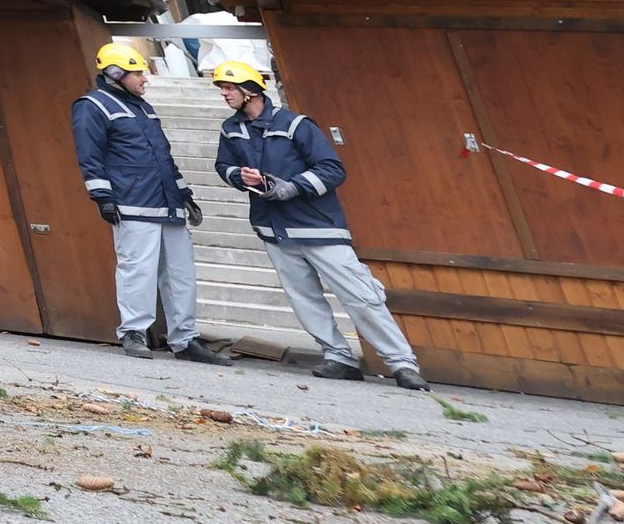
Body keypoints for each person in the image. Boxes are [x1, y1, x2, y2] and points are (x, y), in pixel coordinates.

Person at [210, 56, 429, 391]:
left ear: (250, 91)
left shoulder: (297, 125)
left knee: (361, 296)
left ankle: (401, 364)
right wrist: (239, 175)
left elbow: (332, 169)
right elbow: (223, 166)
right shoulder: (231, 129)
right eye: (222, 88)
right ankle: (338, 358)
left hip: (320, 228)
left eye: (228, 88)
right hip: (275, 231)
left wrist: (292, 187)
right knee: (303, 298)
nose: (224, 94)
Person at [75, 37, 236, 364]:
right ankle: (133, 332)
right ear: (117, 74)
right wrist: (102, 195)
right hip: (133, 203)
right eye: (138, 74)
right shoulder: (92, 106)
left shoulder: (143, 108)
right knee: (138, 270)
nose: (145, 79)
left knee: (181, 274)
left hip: (167, 202)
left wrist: (185, 193)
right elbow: (89, 156)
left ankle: (186, 339)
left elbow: (164, 156)